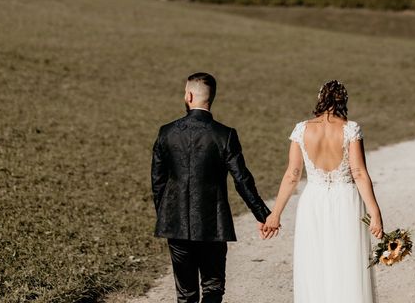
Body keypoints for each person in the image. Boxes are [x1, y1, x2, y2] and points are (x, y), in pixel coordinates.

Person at [151, 72, 273, 303]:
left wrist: (166, 215)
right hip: (213, 223)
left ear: (188, 95)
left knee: (185, 294)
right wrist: (263, 214)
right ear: (211, 98)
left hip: (175, 223)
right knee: (213, 288)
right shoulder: (225, 135)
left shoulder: (166, 132)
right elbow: (242, 179)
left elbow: (158, 181)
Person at [262, 80, 383, 303]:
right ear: (343, 101)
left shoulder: (301, 129)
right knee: (347, 261)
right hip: (346, 199)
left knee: (315, 260)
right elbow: (359, 173)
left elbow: (292, 174)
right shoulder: (350, 129)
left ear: (320, 100)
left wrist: (275, 214)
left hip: (313, 200)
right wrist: (375, 212)